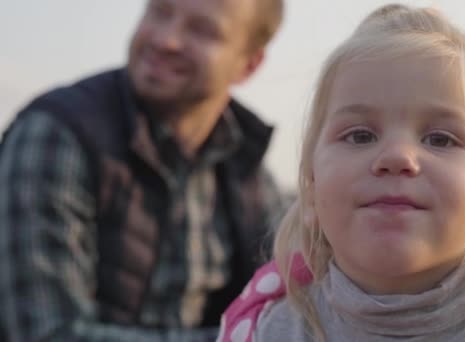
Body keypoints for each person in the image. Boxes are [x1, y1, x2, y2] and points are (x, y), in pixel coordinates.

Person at [219, 4, 465, 342]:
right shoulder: (264, 329)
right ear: (311, 191)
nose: (397, 156)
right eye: (360, 135)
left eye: (440, 139)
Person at [0, 0, 285, 340]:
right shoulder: (56, 135)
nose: (166, 40)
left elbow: (287, 305)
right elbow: (47, 335)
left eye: (202, 30)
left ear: (248, 66)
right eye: (160, 11)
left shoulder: (248, 168)